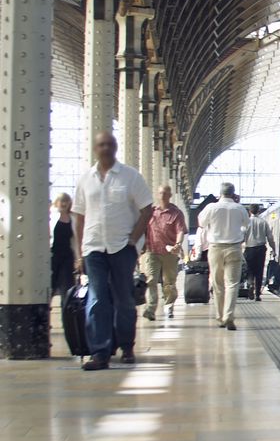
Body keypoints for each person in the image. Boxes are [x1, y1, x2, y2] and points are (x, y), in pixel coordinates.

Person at [74, 132, 154, 370]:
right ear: (95, 148)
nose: (105, 148)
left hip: (122, 247)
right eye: (101, 145)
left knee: (124, 299)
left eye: (109, 144)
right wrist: (80, 252)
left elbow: (147, 210)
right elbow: (79, 217)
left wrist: (133, 239)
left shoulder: (130, 176)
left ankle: (126, 346)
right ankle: (100, 352)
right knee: (97, 299)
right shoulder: (85, 179)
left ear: (115, 147)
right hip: (94, 247)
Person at [197, 183, 249, 330]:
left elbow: (201, 223)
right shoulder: (239, 208)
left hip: (215, 248)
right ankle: (229, 316)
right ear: (233, 194)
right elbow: (246, 224)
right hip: (234, 248)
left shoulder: (211, 207)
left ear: (219, 193)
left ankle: (220, 318)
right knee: (232, 284)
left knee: (217, 284)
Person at [142, 185, 188, 320]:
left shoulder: (176, 213)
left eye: (165, 193)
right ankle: (150, 308)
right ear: (157, 194)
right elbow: (144, 229)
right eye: (161, 193)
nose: (163, 196)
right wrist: (142, 245)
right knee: (151, 280)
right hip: (153, 251)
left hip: (170, 253)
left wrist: (178, 244)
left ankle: (169, 306)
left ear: (170, 195)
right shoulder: (151, 212)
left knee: (168, 283)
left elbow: (180, 231)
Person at [49, 193, 79, 304]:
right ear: (56, 203)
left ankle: (67, 316)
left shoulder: (73, 218)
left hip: (67, 256)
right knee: (50, 286)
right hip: (52, 255)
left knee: (67, 288)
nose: (63, 203)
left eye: (66, 201)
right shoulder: (51, 216)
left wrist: (78, 258)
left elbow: (76, 240)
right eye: (61, 201)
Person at [242, 204, 275, 300]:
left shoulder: (246, 222)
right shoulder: (263, 222)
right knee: (259, 271)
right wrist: (274, 248)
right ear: (259, 211)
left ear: (249, 212)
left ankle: (250, 284)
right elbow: (270, 237)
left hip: (249, 249)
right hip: (260, 249)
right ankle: (257, 294)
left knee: (249, 270)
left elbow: (241, 236)